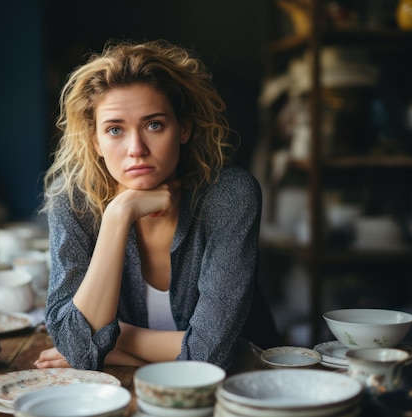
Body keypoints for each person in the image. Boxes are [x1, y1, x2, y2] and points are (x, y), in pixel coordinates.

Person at [35, 39, 278, 372]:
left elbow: (207, 358)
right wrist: (118, 217)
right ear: (96, 142)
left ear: (184, 128)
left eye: (154, 125)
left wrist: (109, 346)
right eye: (115, 129)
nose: (136, 148)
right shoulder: (74, 201)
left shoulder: (229, 194)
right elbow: (75, 343)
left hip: (245, 387)